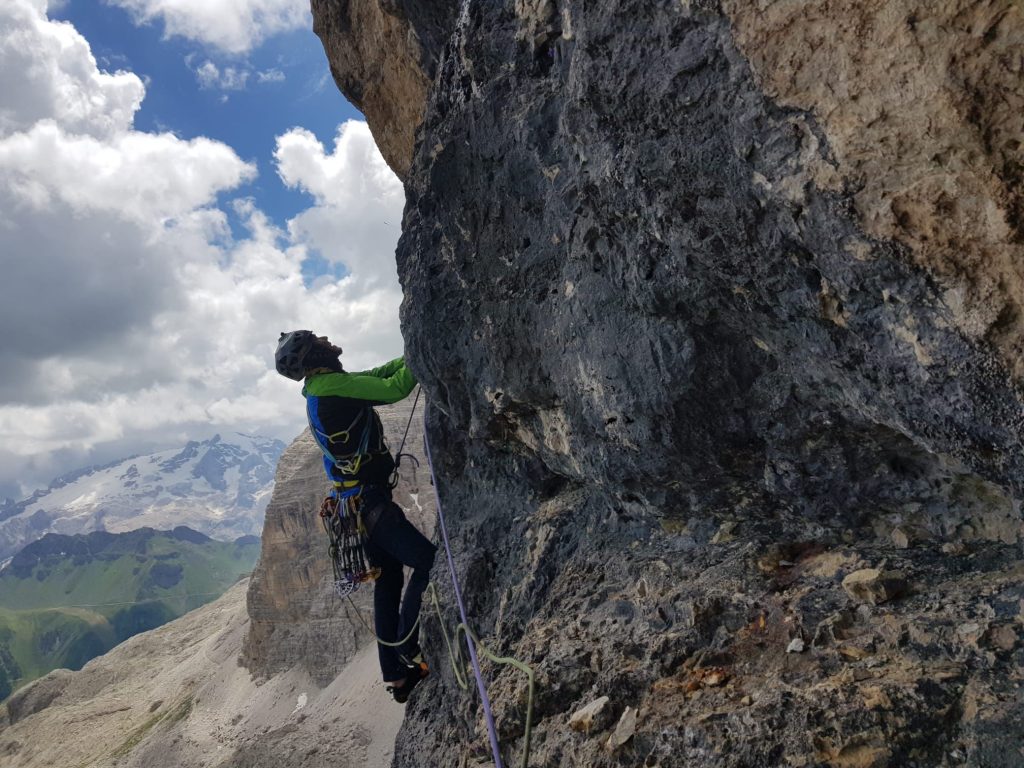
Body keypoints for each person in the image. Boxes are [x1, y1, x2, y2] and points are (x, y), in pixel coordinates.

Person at [275, 330, 436, 703]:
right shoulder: (331, 387)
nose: (328, 340)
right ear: (315, 355)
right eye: (319, 341)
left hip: (354, 505)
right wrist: (425, 344)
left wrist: (410, 351)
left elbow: (379, 372)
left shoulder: (322, 388)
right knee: (427, 562)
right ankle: (407, 650)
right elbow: (394, 388)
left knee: (389, 578)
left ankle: (396, 676)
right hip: (370, 502)